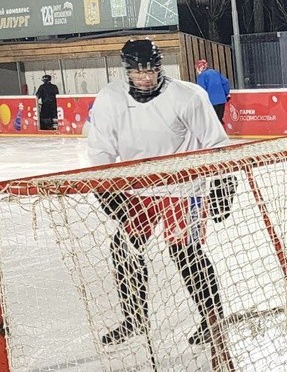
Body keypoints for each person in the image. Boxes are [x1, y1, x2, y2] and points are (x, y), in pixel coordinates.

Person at [87, 39, 234, 347]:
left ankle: (213, 319)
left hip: (184, 188)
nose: (145, 77)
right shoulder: (109, 99)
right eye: (138, 71)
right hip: (138, 189)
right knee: (123, 248)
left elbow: (216, 143)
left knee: (185, 253)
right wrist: (105, 188)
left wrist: (223, 183)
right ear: (127, 70)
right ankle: (134, 317)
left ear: (159, 67)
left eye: (151, 70)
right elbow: (101, 148)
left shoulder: (187, 96)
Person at [195, 58, 231, 124]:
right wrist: (226, 94)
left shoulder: (201, 76)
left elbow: (201, 89)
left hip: (210, 102)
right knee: (219, 119)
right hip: (221, 100)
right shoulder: (215, 72)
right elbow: (225, 82)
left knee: (212, 122)